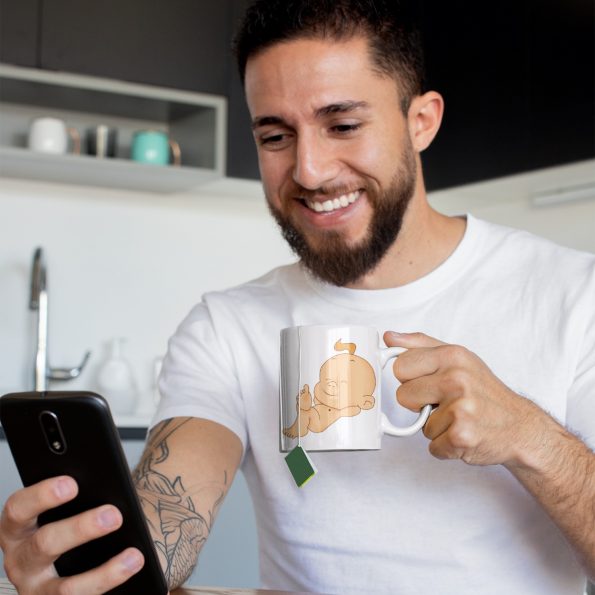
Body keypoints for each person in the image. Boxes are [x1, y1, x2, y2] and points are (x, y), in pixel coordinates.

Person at [1, 1, 594, 593]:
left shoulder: (574, 295)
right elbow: (170, 503)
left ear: (422, 121)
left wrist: (531, 439)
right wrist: (108, 566)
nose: (308, 171)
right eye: (276, 135)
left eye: (342, 125)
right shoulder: (227, 327)